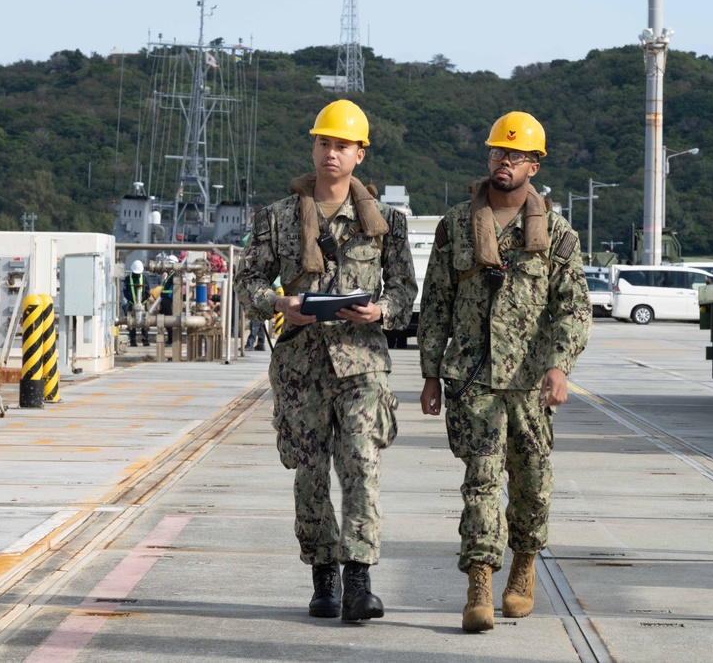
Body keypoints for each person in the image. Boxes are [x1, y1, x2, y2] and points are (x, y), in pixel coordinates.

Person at [234, 99, 417, 622]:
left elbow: (404, 288)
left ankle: (359, 580)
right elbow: (248, 280)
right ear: (313, 148)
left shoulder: (386, 223)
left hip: (362, 363)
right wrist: (279, 304)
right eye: (324, 143)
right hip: (301, 367)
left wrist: (380, 310)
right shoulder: (277, 217)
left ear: (360, 154)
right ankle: (323, 579)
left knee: (361, 465)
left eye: (342, 145)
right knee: (310, 474)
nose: (331, 153)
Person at [416, 111, 592, 632]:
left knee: (533, 486)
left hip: (532, 385)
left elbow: (574, 308)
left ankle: (523, 565)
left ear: (535, 165)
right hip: (472, 379)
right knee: (481, 482)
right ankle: (479, 584)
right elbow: (436, 304)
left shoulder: (557, 235)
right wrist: (430, 374)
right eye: (497, 153)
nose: (504, 161)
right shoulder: (455, 226)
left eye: (515, 155)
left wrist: (560, 366)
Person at [123, 259, 149, 347]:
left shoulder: (144, 278)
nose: (137, 274)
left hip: (143, 304)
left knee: (145, 321)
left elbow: (148, 292)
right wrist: (131, 300)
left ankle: (145, 339)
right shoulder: (128, 279)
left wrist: (142, 300)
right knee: (131, 322)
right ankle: (133, 340)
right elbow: (125, 291)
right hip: (131, 303)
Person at [159, 254, 179, 344]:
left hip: (169, 300)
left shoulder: (175, 274)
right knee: (165, 320)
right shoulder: (169, 274)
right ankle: (169, 338)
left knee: (170, 320)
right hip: (165, 299)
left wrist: (170, 298)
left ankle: (171, 339)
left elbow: (172, 288)